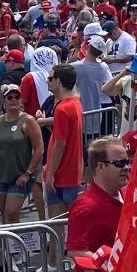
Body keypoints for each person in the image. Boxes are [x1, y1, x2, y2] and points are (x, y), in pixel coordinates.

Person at [64, 136, 130, 272]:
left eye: (127, 162)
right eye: (120, 163)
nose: (126, 167)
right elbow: (76, 251)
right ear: (101, 167)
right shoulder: (86, 206)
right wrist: (112, 269)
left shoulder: (129, 195)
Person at [0, 85, 43, 228]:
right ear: (3, 101)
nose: (13, 100)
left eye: (17, 97)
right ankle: (11, 248)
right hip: (0, 175)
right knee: (6, 215)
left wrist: (28, 173)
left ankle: (18, 246)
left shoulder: (28, 120)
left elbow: (39, 149)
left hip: (20, 176)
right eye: (9, 97)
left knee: (12, 212)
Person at [42, 63, 84, 216]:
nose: (48, 81)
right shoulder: (75, 103)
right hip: (71, 172)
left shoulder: (62, 108)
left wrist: (51, 172)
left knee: (56, 225)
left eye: (51, 78)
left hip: (61, 175)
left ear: (59, 81)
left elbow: (60, 143)